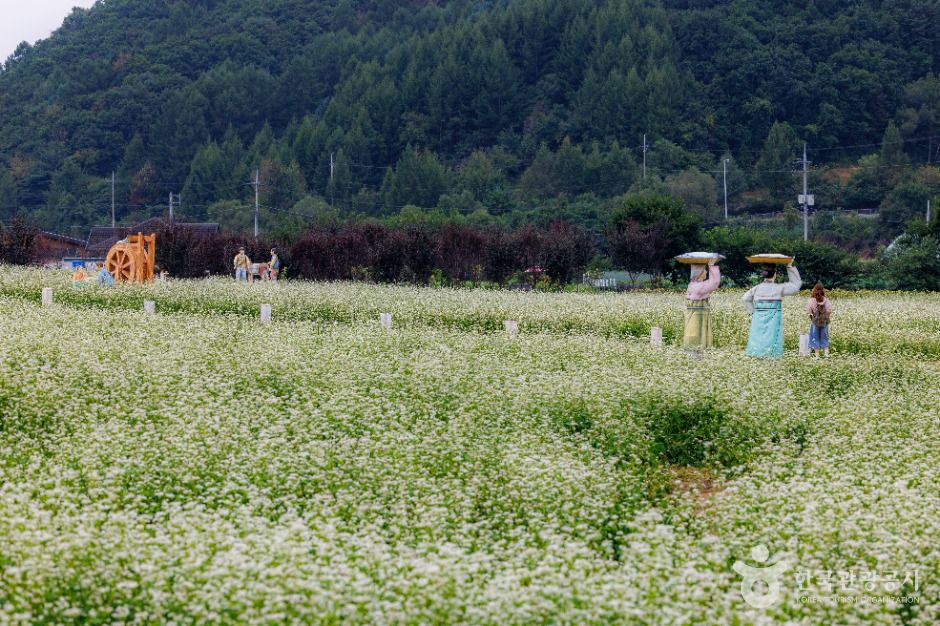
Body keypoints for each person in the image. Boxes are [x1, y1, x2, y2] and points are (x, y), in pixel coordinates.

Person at [742, 261, 801, 358]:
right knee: (772, 336)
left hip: (758, 316)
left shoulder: (756, 288)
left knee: (758, 336)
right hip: (774, 316)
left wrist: (752, 312)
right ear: (775, 274)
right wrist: (789, 266)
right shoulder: (779, 288)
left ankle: (757, 354)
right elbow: (796, 286)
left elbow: (745, 298)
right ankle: (771, 355)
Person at [682, 259, 721, 350]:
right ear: (699, 273)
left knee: (691, 330)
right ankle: (698, 348)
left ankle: (692, 347)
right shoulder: (700, 286)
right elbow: (714, 283)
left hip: (692, 313)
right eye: (704, 270)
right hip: (699, 315)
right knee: (698, 332)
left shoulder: (691, 284)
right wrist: (711, 266)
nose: (706, 272)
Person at [807, 282, 833, 358]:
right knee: (825, 337)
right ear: (822, 291)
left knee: (815, 337)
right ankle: (826, 355)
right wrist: (825, 317)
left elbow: (809, 312)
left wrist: (813, 318)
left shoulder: (811, 301)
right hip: (824, 322)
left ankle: (817, 356)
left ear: (814, 290)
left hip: (815, 322)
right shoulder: (826, 300)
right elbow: (829, 311)